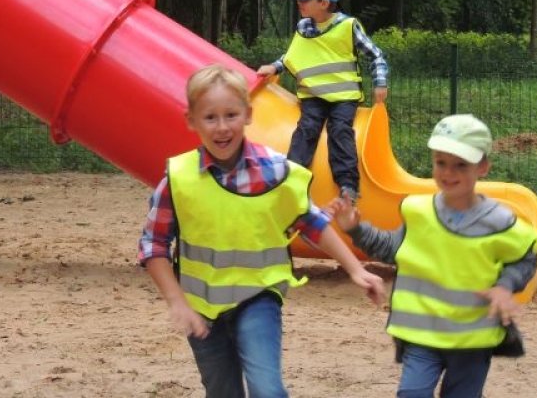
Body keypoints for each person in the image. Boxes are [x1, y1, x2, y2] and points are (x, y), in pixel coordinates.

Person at [138, 63, 385, 398]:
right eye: (210, 117)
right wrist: (176, 302)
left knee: (267, 390)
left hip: (258, 296)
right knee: (222, 392)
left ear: (249, 114)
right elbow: (154, 245)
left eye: (231, 115)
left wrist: (356, 269)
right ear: (191, 120)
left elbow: (310, 221)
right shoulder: (178, 179)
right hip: (201, 307)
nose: (222, 127)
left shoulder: (276, 171)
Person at [333, 113, 537, 398]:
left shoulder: (499, 222)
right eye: (441, 162)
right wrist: (355, 229)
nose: (448, 172)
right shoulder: (419, 212)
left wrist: (505, 286)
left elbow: (524, 258)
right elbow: (391, 248)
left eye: (460, 165)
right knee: (412, 393)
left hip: (472, 339)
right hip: (423, 334)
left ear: (482, 167)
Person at [256, 0, 388, 205]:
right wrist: (275, 67)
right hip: (313, 96)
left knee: (340, 130)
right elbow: (293, 55)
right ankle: (291, 178)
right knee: (306, 129)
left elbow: (375, 55)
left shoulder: (347, 26)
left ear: (324, 3)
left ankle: (348, 185)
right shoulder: (303, 27)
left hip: (343, 97)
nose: (299, 2)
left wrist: (380, 82)